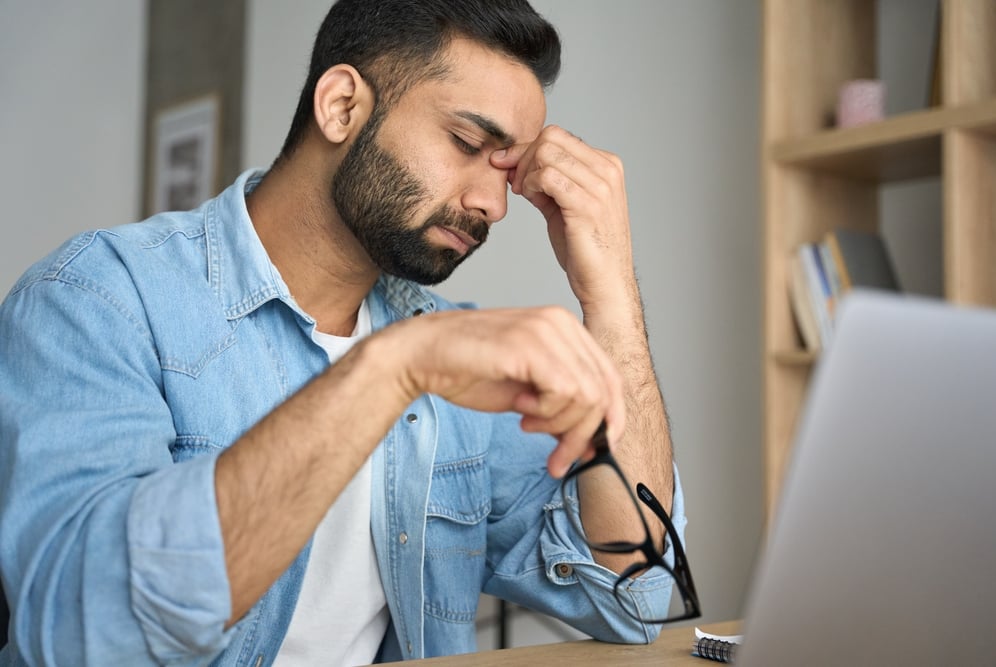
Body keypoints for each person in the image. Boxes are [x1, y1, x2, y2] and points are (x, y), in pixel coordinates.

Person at [0, 0, 686, 664]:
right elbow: (80, 638)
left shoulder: (439, 348)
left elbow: (635, 596)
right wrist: (389, 368)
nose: (492, 204)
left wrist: (613, 295)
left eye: (507, 170)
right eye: (467, 144)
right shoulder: (96, 298)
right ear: (341, 107)